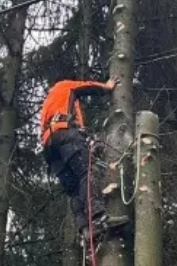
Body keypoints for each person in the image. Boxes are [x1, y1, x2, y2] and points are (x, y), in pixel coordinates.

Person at [40, 75, 125, 236]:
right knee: (87, 172)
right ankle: (99, 218)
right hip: (64, 134)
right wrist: (106, 87)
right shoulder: (64, 85)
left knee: (74, 189)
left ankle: (85, 229)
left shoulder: (48, 103)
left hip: (49, 148)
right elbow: (85, 86)